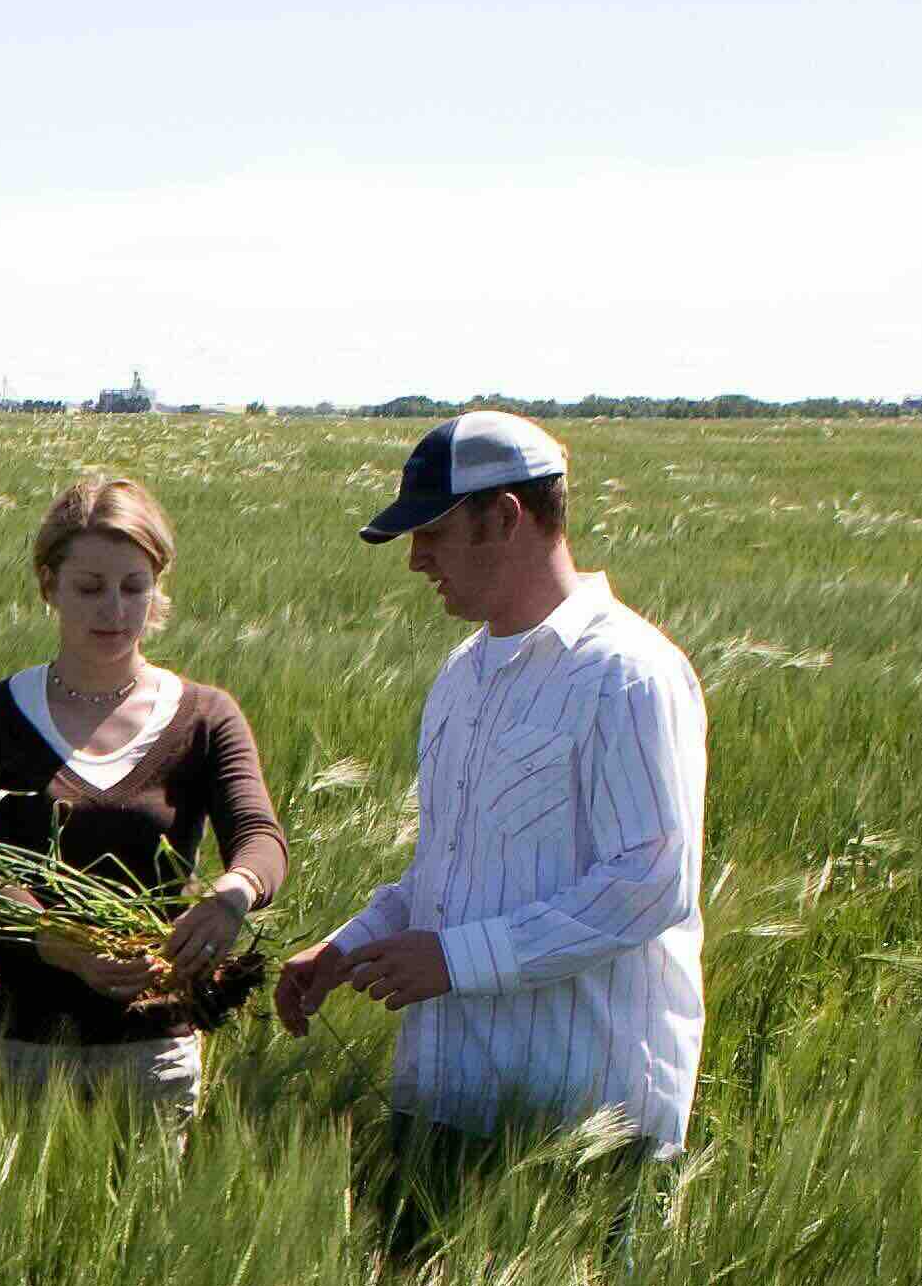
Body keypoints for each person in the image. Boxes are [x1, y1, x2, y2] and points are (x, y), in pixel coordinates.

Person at [271, 410, 708, 1176]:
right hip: (442, 1098)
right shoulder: (461, 676)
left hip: (580, 1123)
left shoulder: (627, 674)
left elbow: (650, 883)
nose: (416, 561)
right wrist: (345, 949)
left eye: (431, 533)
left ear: (503, 518)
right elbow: (452, 869)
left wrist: (456, 960)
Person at [0, 473, 287, 1118]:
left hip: (150, 1047)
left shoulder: (205, 716)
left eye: (134, 588)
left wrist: (233, 894)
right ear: (49, 583)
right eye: (90, 588)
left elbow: (259, 836)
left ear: (157, 587)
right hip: (16, 1047)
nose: (115, 611)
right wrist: (51, 937)